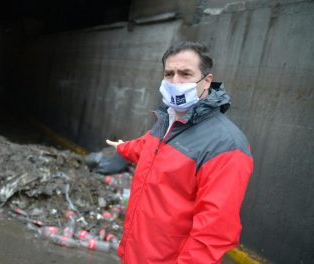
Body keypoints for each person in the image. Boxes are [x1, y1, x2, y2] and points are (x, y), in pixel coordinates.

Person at [106, 41, 253, 263]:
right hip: (135, 254)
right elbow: (147, 149)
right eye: (169, 73)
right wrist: (122, 147)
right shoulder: (168, 120)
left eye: (185, 74)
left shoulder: (226, 145)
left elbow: (212, 234)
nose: (175, 81)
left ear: (207, 81)